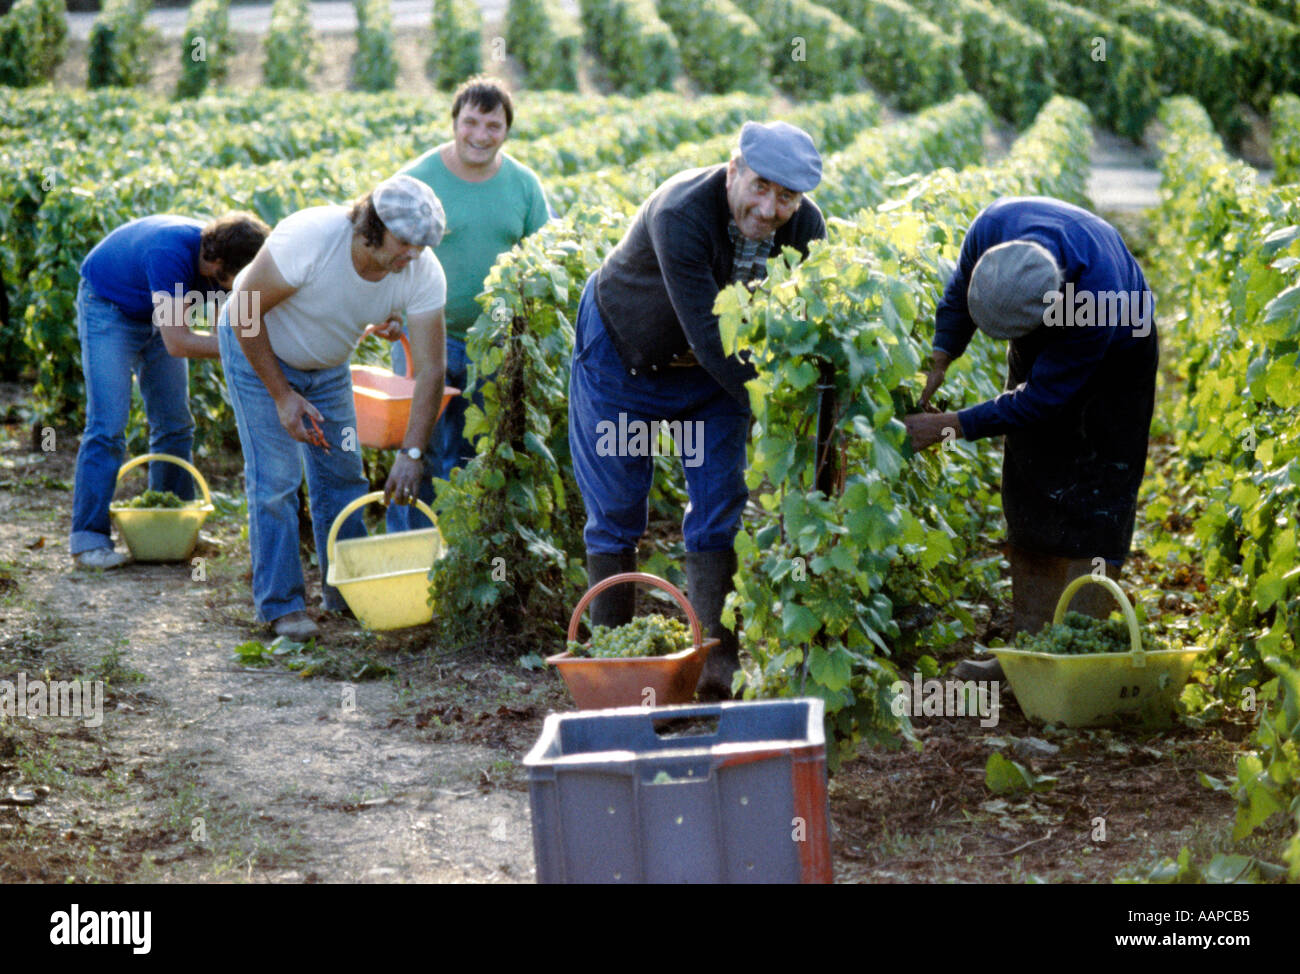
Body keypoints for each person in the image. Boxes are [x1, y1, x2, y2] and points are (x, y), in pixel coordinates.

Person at [570, 121, 826, 700]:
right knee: (615, 507)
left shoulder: (807, 229)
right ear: (733, 170)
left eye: (786, 197)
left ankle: (716, 666)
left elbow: (795, 328)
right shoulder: (681, 212)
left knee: (719, 504)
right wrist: (776, 415)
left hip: (714, 380)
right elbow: (712, 336)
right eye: (760, 186)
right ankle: (617, 667)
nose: (769, 208)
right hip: (625, 357)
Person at [903, 196, 1159, 679]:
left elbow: (1042, 400)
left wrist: (948, 426)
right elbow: (959, 291)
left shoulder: (1098, 301)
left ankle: (1076, 654)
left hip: (1119, 355)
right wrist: (941, 356)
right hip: (1048, 321)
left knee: (1099, 493)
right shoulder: (991, 226)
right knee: (1029, 479)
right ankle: (1027, 651)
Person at [220, 175, 448, 642]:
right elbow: (245, 311)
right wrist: (282, 396)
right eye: (405, 242)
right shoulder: (312, 239)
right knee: (277, 479)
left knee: (342, 476)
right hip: (255, 348)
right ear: (371, 226)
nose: (414, 254)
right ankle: (281, 606)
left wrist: (412, 454)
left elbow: (430, 371)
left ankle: (346, 593)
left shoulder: (421, 272)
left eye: (422, 245)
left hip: (326, 367)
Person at [385, 76, 550, 532]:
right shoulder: (418, 179)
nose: (480, 135)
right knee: (417, 445)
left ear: (507, 131)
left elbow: (546, 253)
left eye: (493, 125)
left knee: (473, 453)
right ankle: (404, 552)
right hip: (420, 337)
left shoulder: (523, 185)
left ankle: (454, 555)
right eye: (471, 122)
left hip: (493, 344)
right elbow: (378, 247)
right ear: (454, 122)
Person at [70, 212, 269, 569]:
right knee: (108, 426)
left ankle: (177, 526)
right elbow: (178, 342)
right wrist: (240, 349)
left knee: (175, 423)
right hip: (110, 309)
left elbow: (245, 325)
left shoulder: (233, 263)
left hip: (162, 315)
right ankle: (89, 540)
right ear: (214, 263)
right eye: (238, 278)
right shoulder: (172, 253)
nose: (240, 285)